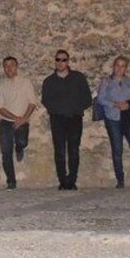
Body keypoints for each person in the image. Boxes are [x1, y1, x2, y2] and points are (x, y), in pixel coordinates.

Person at [95, 56, 130, 189]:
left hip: (129, 117)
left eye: (123, 66)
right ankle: (120, 180)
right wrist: (115, 105)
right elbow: (100, 99)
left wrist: (128, 105)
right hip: (113, 118)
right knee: (117, 148)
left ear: (126, 68)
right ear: (113, 66)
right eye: (117, 65)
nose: (120, 68)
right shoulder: (106, 82)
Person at [41, 49, 92, 190]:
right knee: (60, 151)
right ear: (55, 61)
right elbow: (46, 100)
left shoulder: (78, 78)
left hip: (74, 118)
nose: (60, 62)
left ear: (68, 61)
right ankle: (63, 180)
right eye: (58, 59)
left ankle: (72, 180)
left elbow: (87, 98)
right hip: (57, 119)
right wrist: (57, 110)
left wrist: (75, 108)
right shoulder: (49, 81)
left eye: (63, 59)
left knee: (74, 150)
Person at [0, 56, 38, 190]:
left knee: (22, 142)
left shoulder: (25, 83)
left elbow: (32, 103)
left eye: (11, 65)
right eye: (6, 66)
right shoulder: (1, 86)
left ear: (16, 66)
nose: (9, 68)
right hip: (7, 122)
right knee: (6, 151)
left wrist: (23, 118)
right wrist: (15, 118)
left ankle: (19, 148)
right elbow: (0, 108)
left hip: (23, 120)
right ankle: (11, 181)